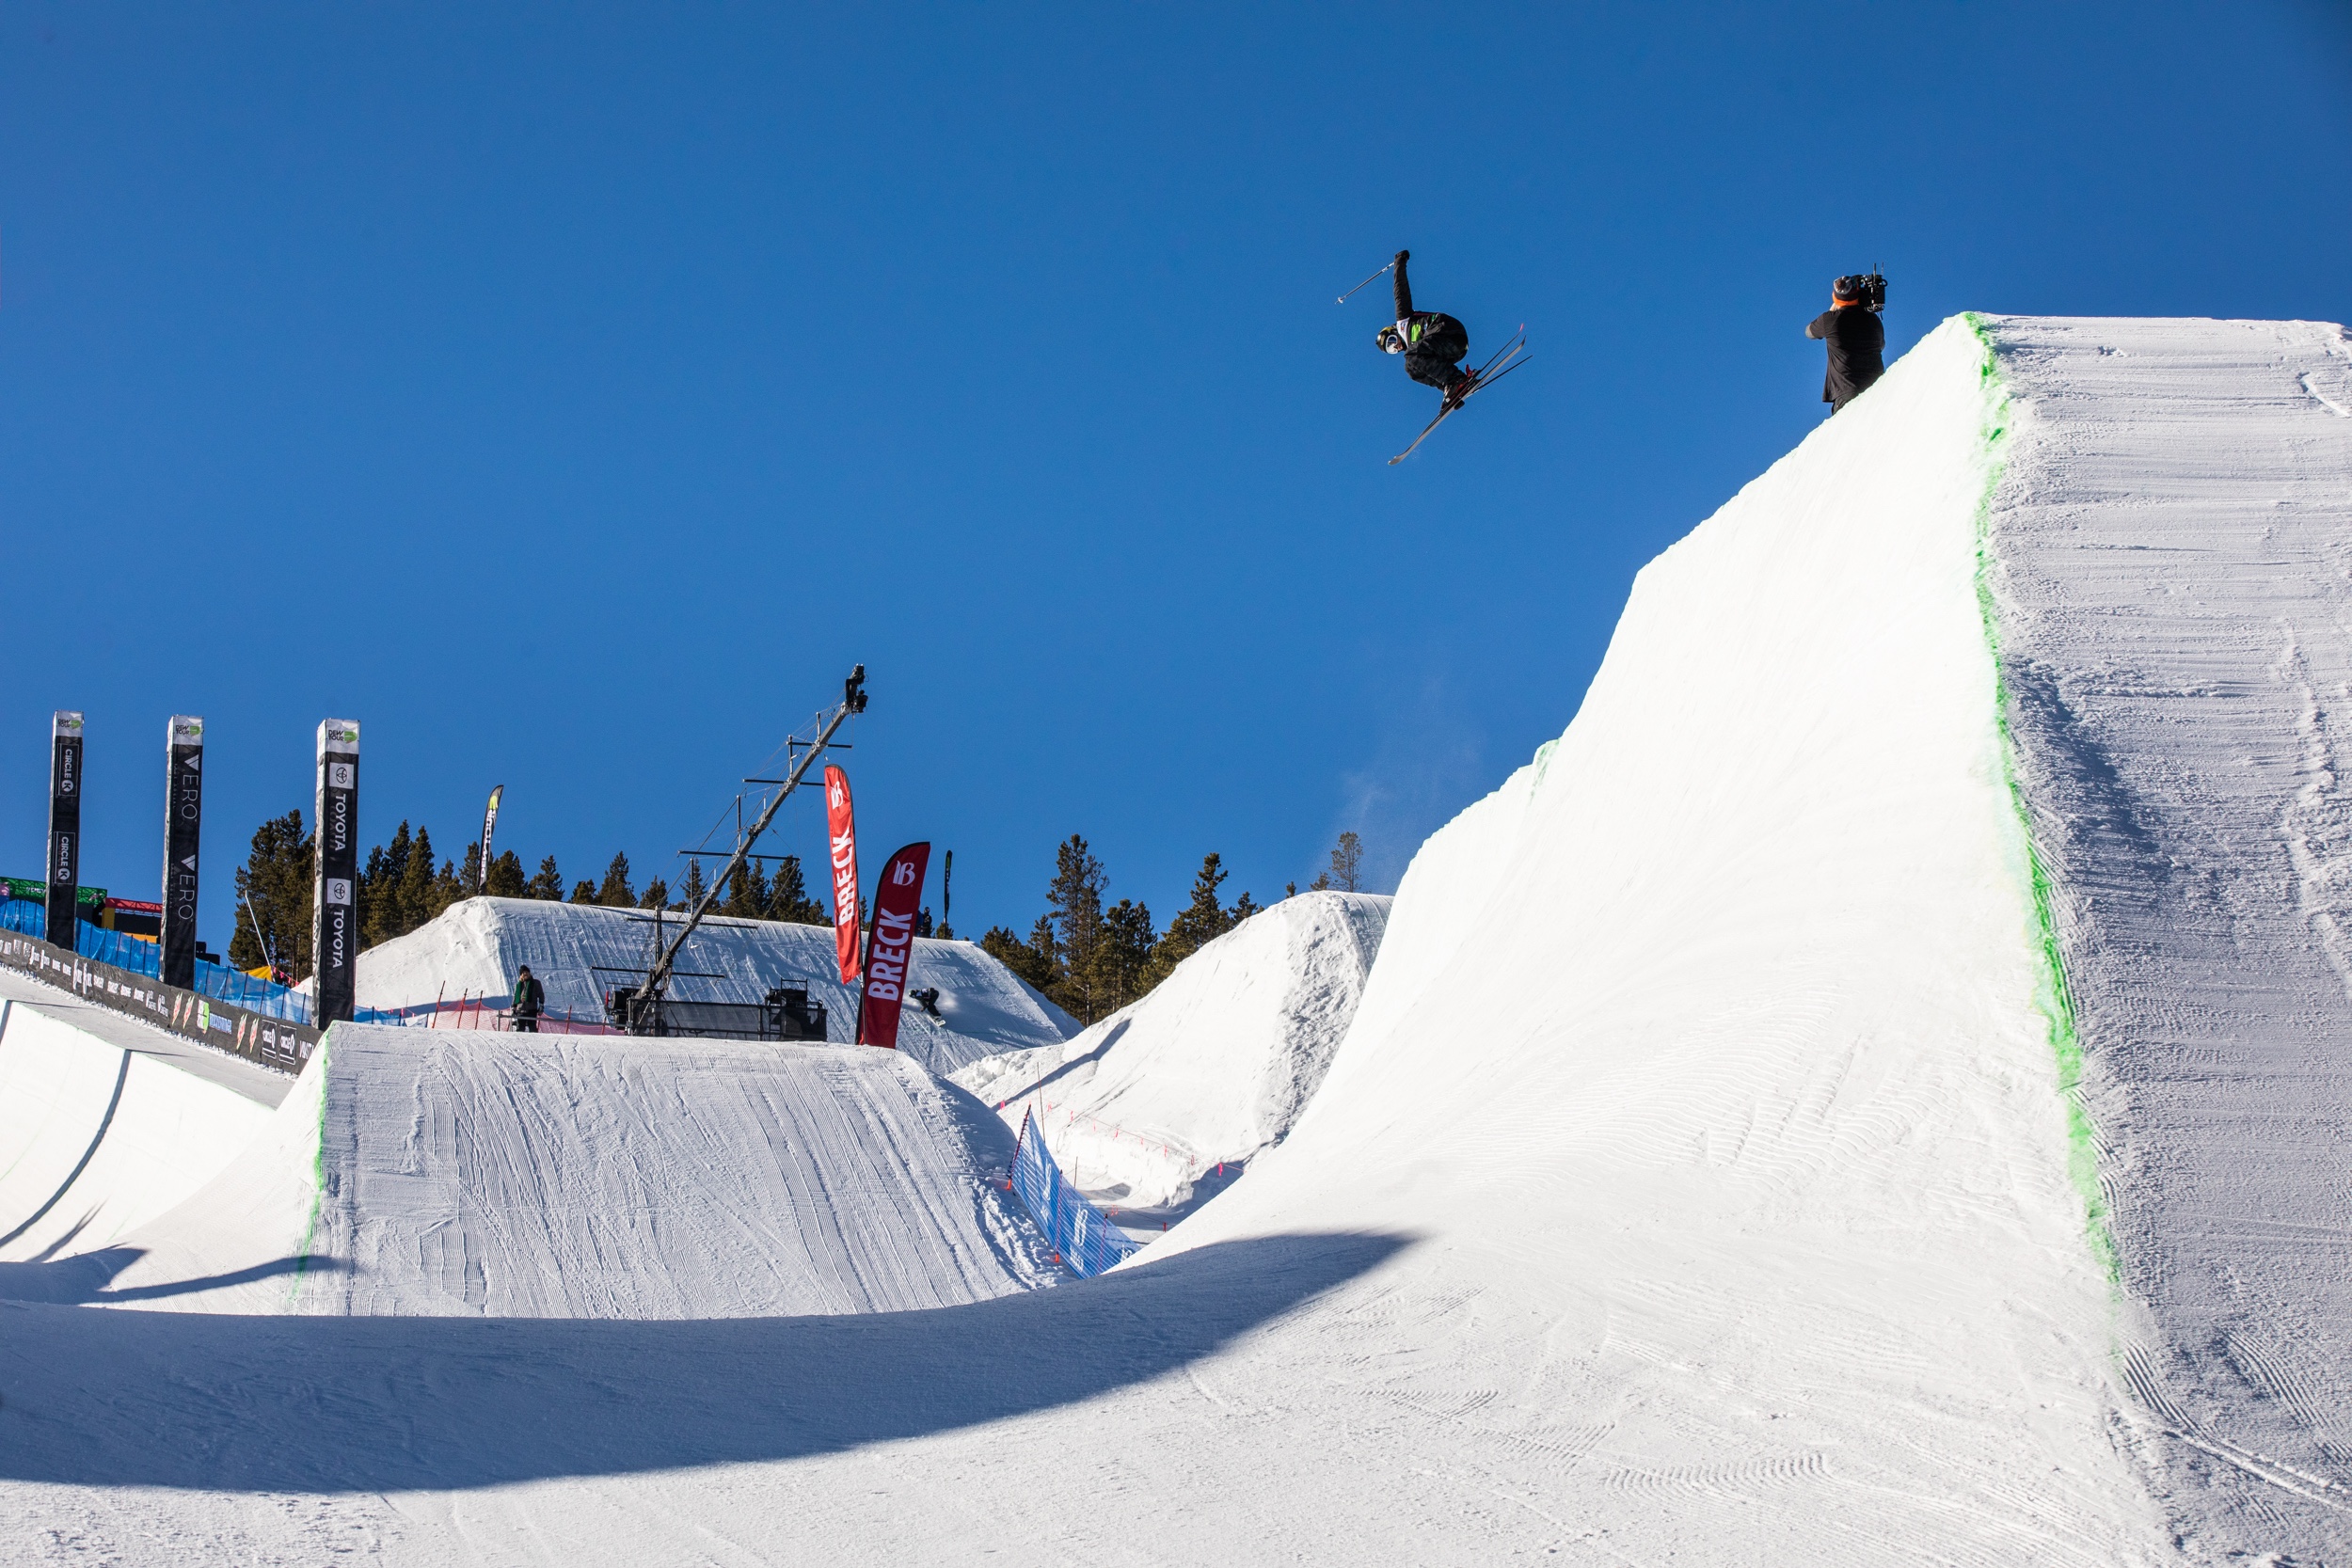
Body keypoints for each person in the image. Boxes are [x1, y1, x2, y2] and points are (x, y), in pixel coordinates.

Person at [1377, 250, 1474, 405]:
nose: (1395, 346)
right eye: (1391, 349)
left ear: (1393, 331)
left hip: (1449, 332)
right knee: (1410, 369)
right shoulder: (1414, 352)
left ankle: (1455, 379)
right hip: (1455, 350)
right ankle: (1452, 388)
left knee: (1411, 355)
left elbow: (1400, 292)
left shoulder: (1403, 321)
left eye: (1391, 341)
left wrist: (1399, 263)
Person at [1806, 276, 1886, 412]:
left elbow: (1809, 332)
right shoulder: (1873, 321)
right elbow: (1881, 346)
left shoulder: (1829, 320)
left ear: (1835, 296)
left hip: (1847, 392)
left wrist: (1832, 311)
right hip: (1878, 387)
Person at [510, 963, 545, 1034]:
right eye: (523, 973)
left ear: (529, 973)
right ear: (521, 975)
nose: (525, 974)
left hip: (531, 1009)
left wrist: (541, 1006)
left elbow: (541, 994)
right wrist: (513, 1008)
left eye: (527, 972)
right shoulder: (518, 985)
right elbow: (515, 996)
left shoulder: (535, 983)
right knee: (520, 1029)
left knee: (532, 1029)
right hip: (520, 1010)